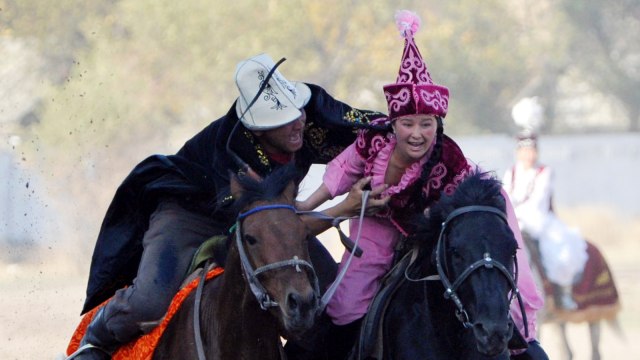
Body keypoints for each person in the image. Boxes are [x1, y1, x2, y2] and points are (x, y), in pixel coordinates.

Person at [70, 53, 391, 359]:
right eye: (284, 121)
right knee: (148, 303)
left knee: (336, 297)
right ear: (258, 130)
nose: (298, 125)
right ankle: (93, 344)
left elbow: (375, 128)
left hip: (272, 218)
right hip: (191, 214)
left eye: (298, 113)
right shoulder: (234, 155)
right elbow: (272, 223)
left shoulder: (311, 109)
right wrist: (343, 209)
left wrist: (408, 127)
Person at [288, 10, 547, 360]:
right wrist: (306, 206)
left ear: (437, 124)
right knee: (343, 308)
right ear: (393, 124)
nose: (417, 134)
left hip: (430, 234)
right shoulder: (371, 142)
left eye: (426, 123)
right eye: (407, 123)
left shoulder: (452, 160)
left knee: (495, 282)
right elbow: (340, 173)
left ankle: (520, 341)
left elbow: (472, 202)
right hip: (376, 230)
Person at [502, 114, 588, 311]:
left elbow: (538, 201)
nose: (528, 154)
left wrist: (520, 216)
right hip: (515, 218)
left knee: (561, 253)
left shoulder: (544, 172)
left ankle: (562, 293)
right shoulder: (512, 172)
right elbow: (507, 196)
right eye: (524, 150)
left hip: (539, 220)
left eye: (531, 150)